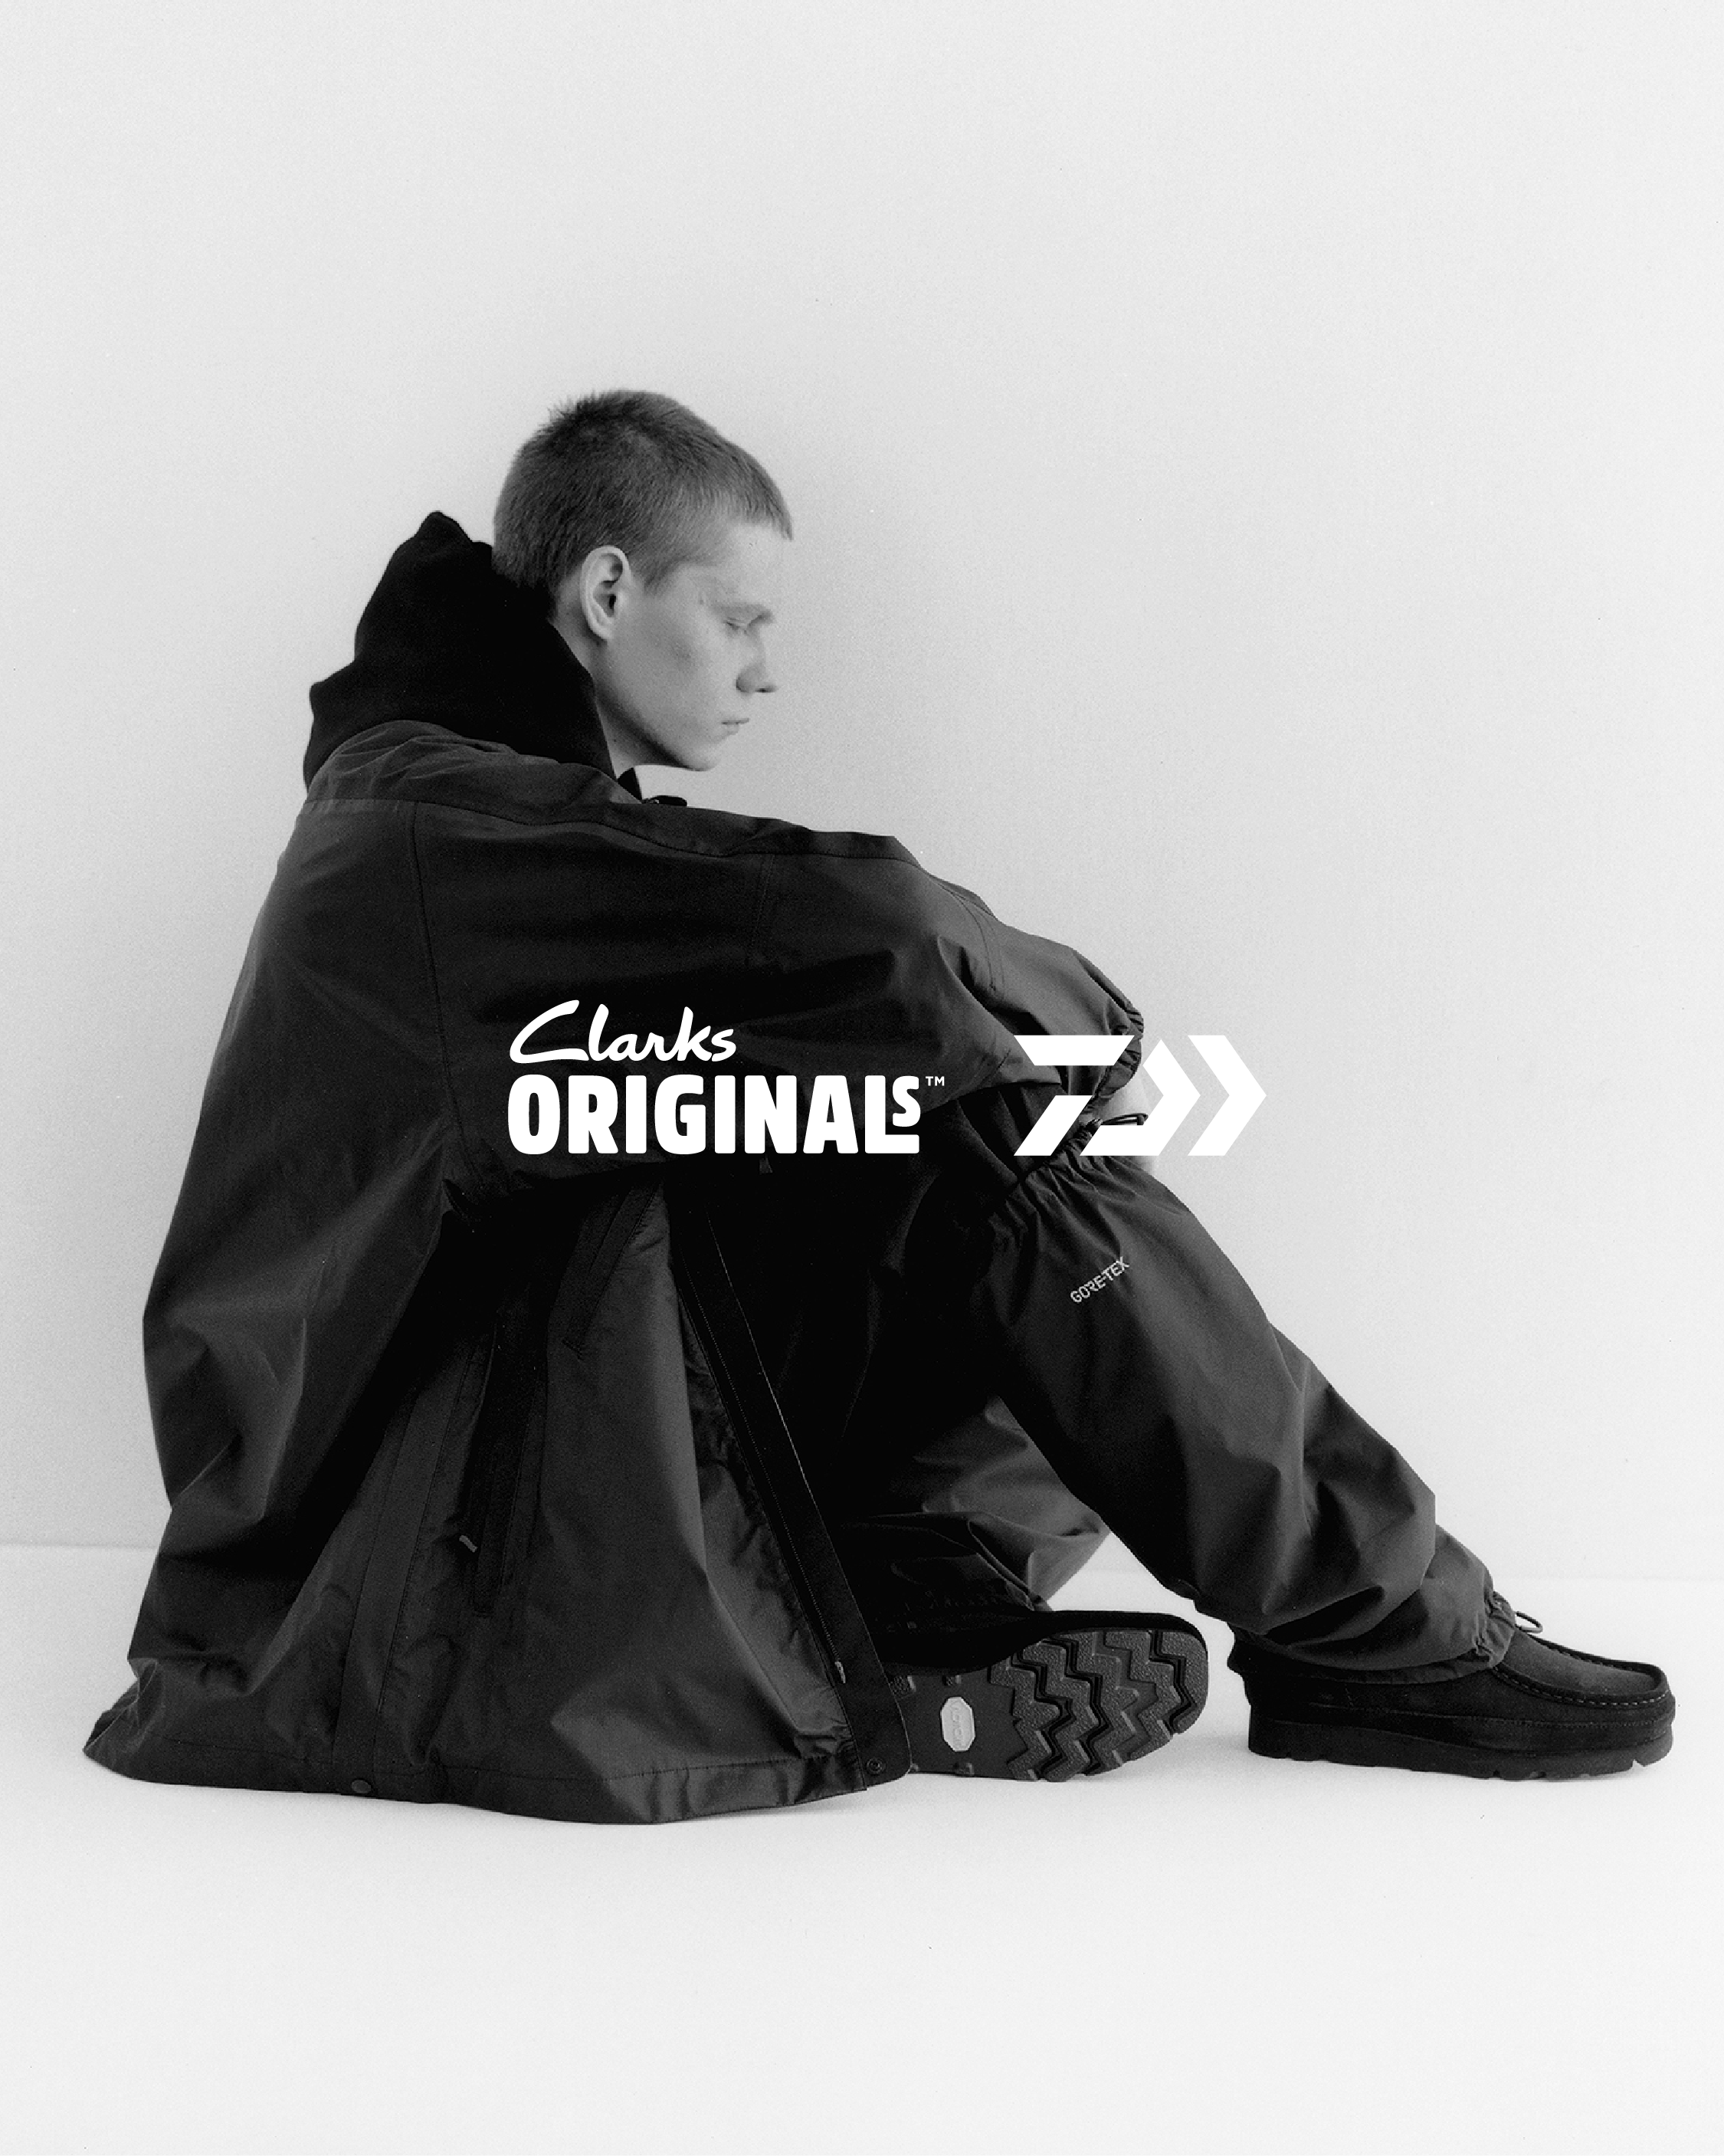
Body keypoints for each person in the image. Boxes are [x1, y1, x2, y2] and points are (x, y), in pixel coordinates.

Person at [85, 393, 1673, 1823]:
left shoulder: (480, 818)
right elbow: (867, 926)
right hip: (394, 1560)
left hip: (484, 1495)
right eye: (738, 618)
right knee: (985, 1140)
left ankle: (900, 1580)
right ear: (611, 592)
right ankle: (1376, 1628)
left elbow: (818, 976)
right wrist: (1079, 1022)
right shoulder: (437, 824)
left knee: (932, 1121)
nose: (766, 669)